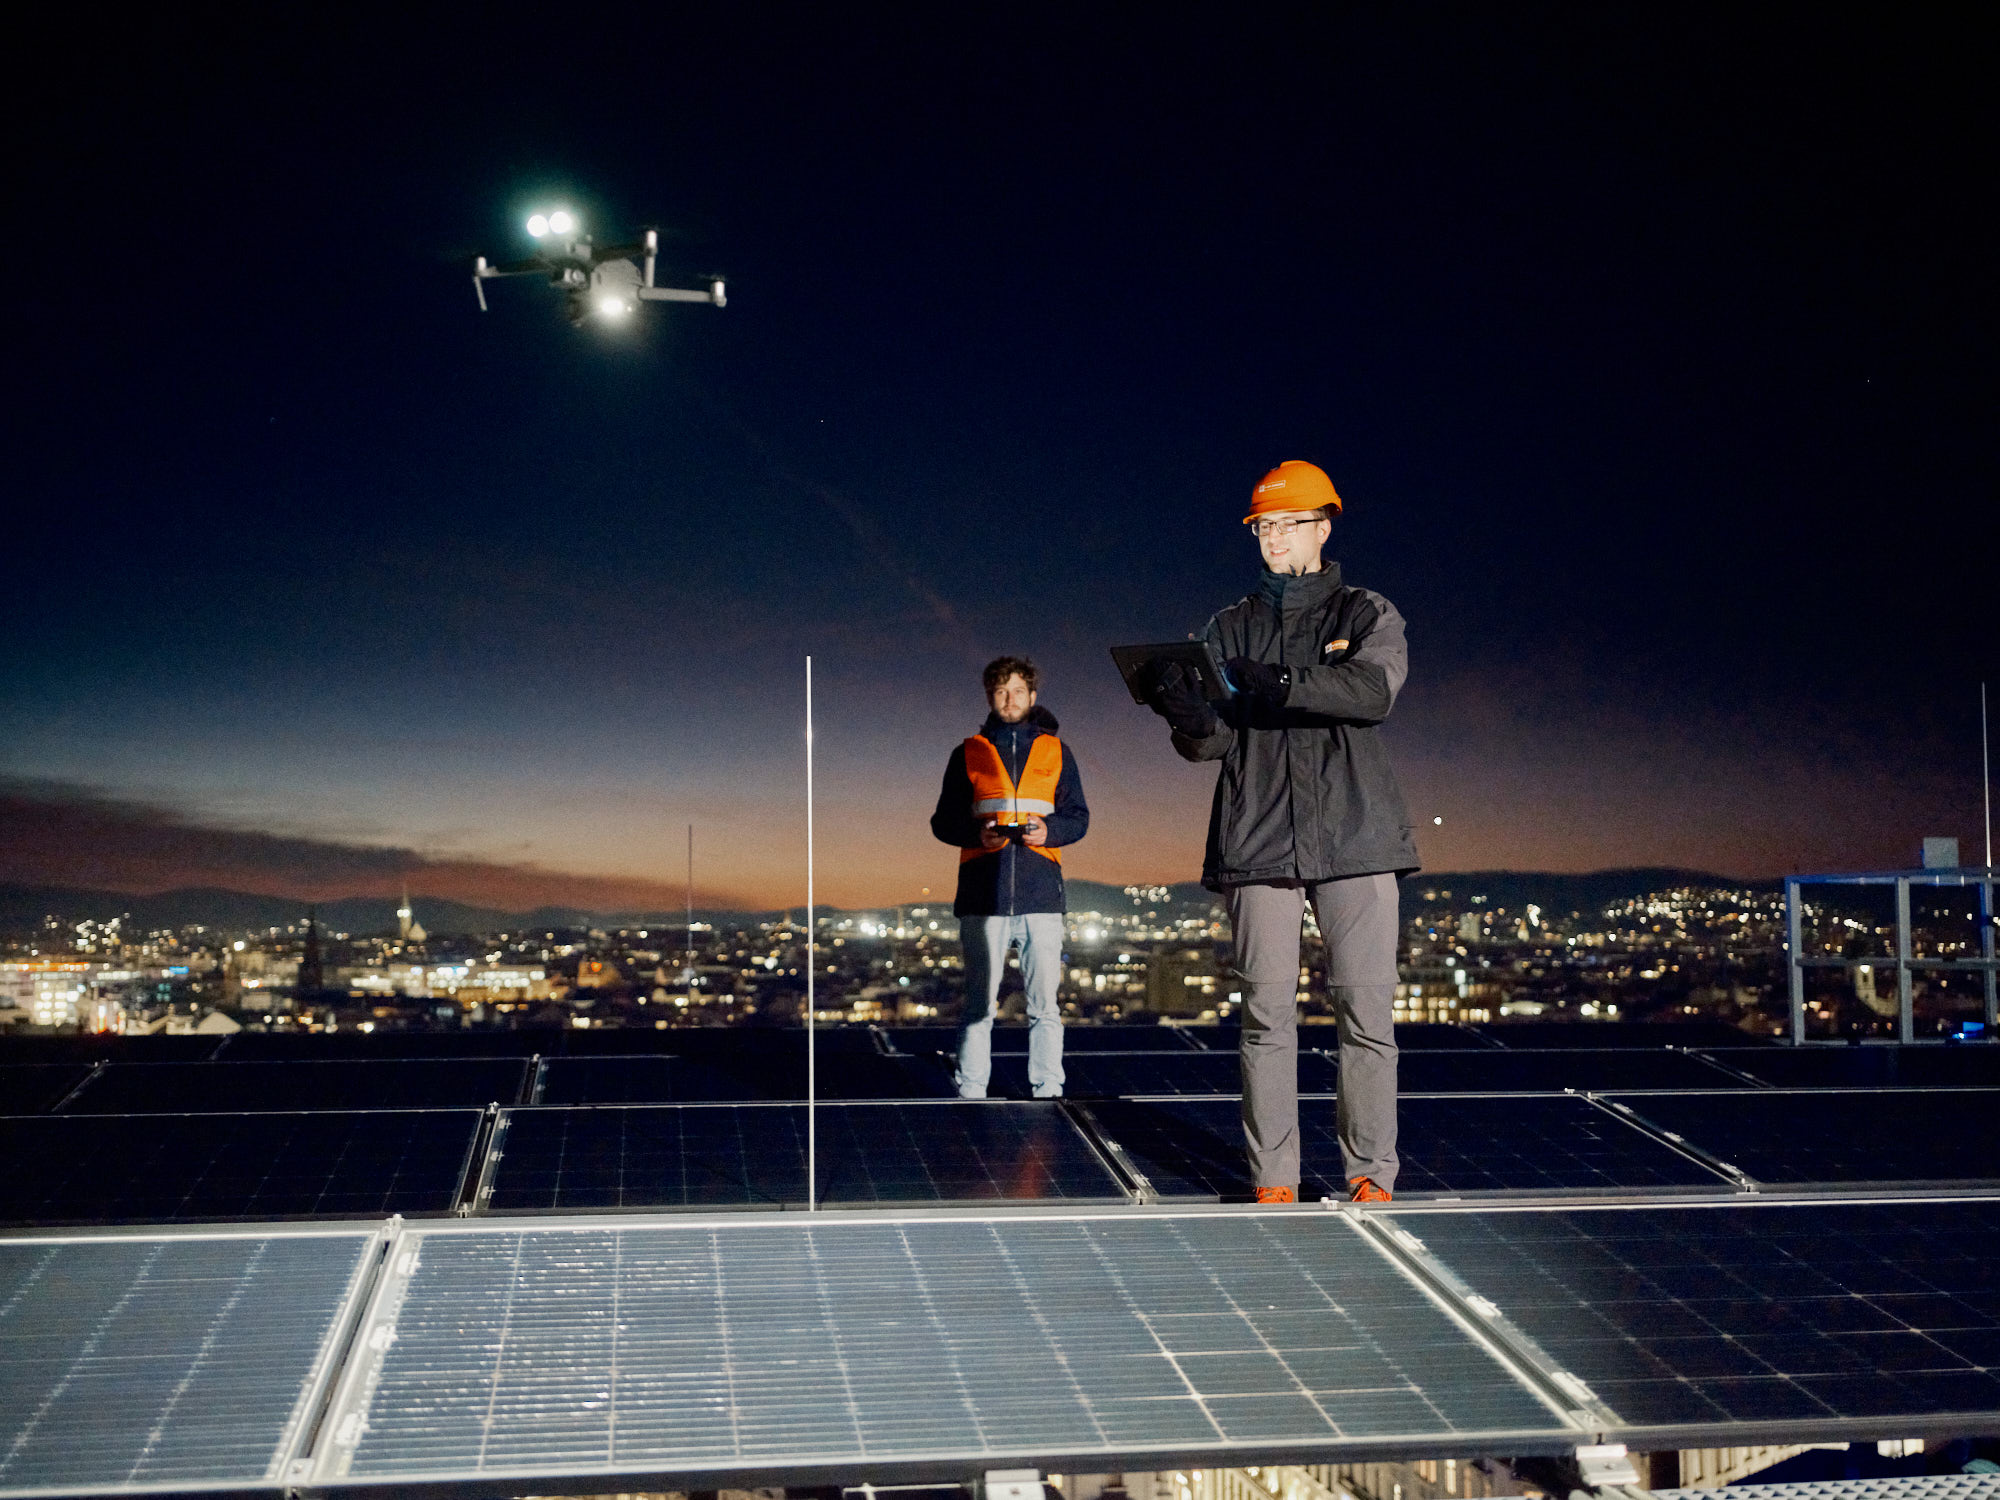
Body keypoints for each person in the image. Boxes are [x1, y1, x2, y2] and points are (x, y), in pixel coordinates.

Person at [1142, 460, 1417, 1204]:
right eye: (1264, 525)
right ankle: (1275, 1182)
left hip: (1356, 839)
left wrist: (1287, 683)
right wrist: (1186, 711)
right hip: (1258, 840)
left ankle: (1370, 1175)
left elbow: (1374, 692)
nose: (1272, 536)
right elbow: (1211, 747)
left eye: (1287, 522)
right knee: (1266, 1019)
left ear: (1323, 527)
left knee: (1366, 1012)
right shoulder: (1228, 625)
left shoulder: (1364, 612)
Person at [931, 655, 1090, 1098]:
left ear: (1032, 696)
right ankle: (971, 1089)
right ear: (990, 697)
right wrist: (978, 835)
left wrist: (1049, 831)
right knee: (979, 1004)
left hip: (1042, 897)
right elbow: (942, 822)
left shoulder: (1058, 751)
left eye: (1018, 691)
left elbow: (1078, 817)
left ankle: (1048, 1090)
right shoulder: (967, 753)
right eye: (1001, 691)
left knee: (1045, 1006)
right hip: (984, 897)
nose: (1010, 699)